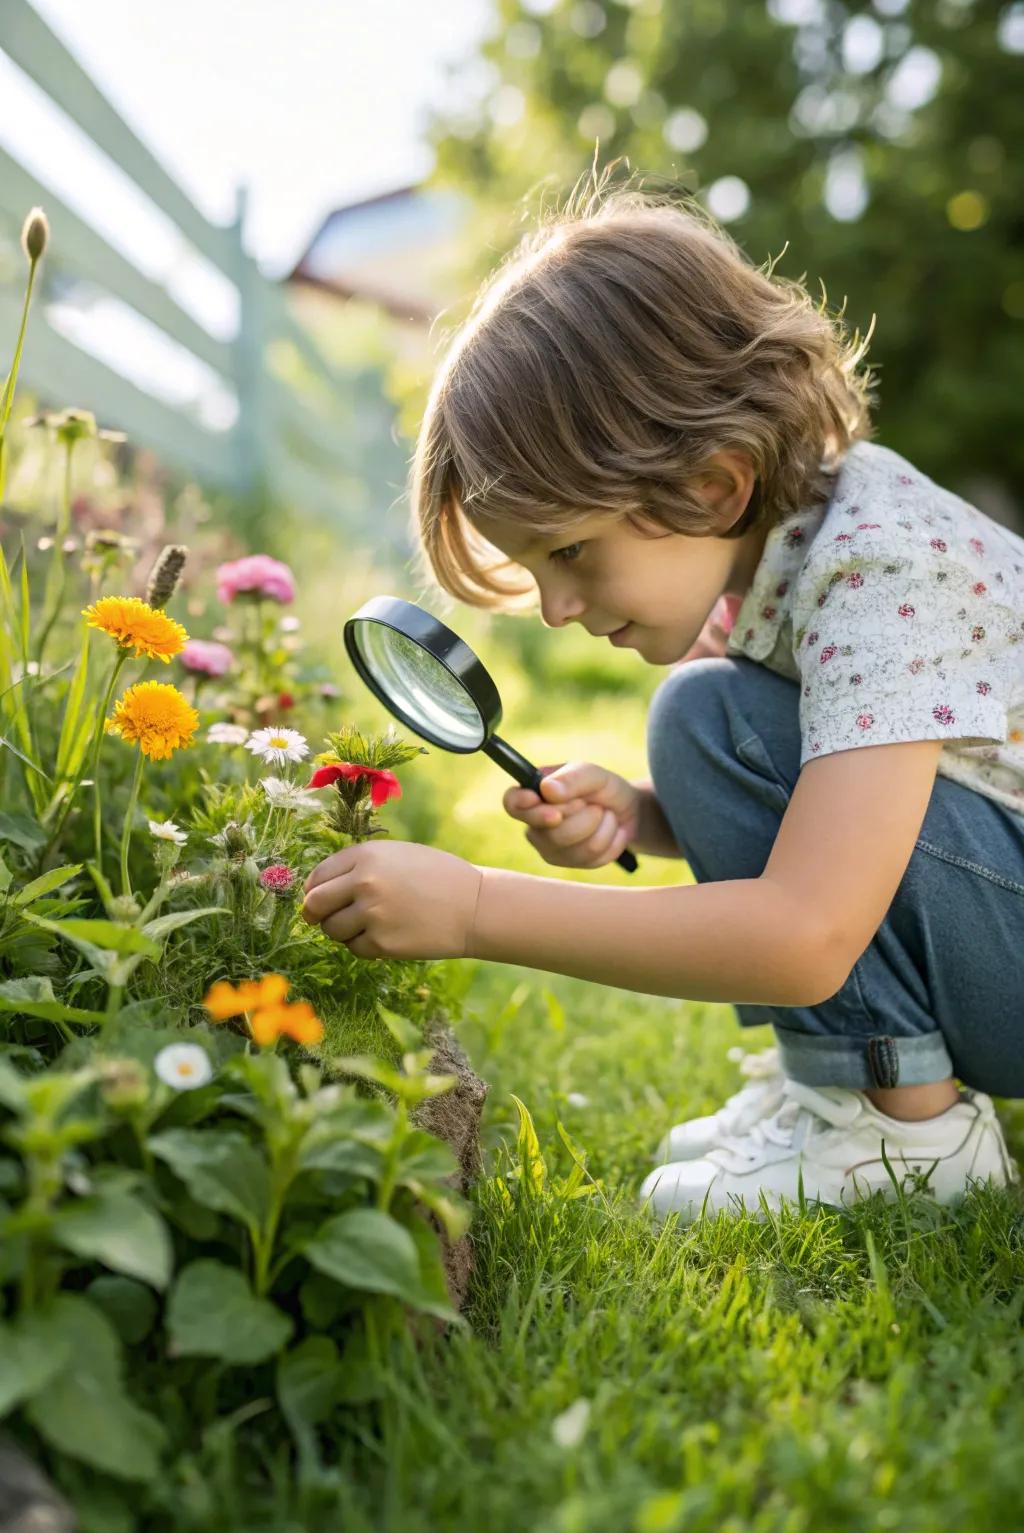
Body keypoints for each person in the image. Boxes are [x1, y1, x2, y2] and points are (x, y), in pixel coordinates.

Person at [307, 174, 1024, 1223]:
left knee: (713, 713)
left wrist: (472, 907)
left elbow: (806, 931)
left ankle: (904, 1130)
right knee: (705, 714)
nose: (553, 606)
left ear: (710, 486)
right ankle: (853, 1081)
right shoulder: (793, 548)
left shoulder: (878, 572)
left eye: (570, 552)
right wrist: (641, 817)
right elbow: (840, 791)